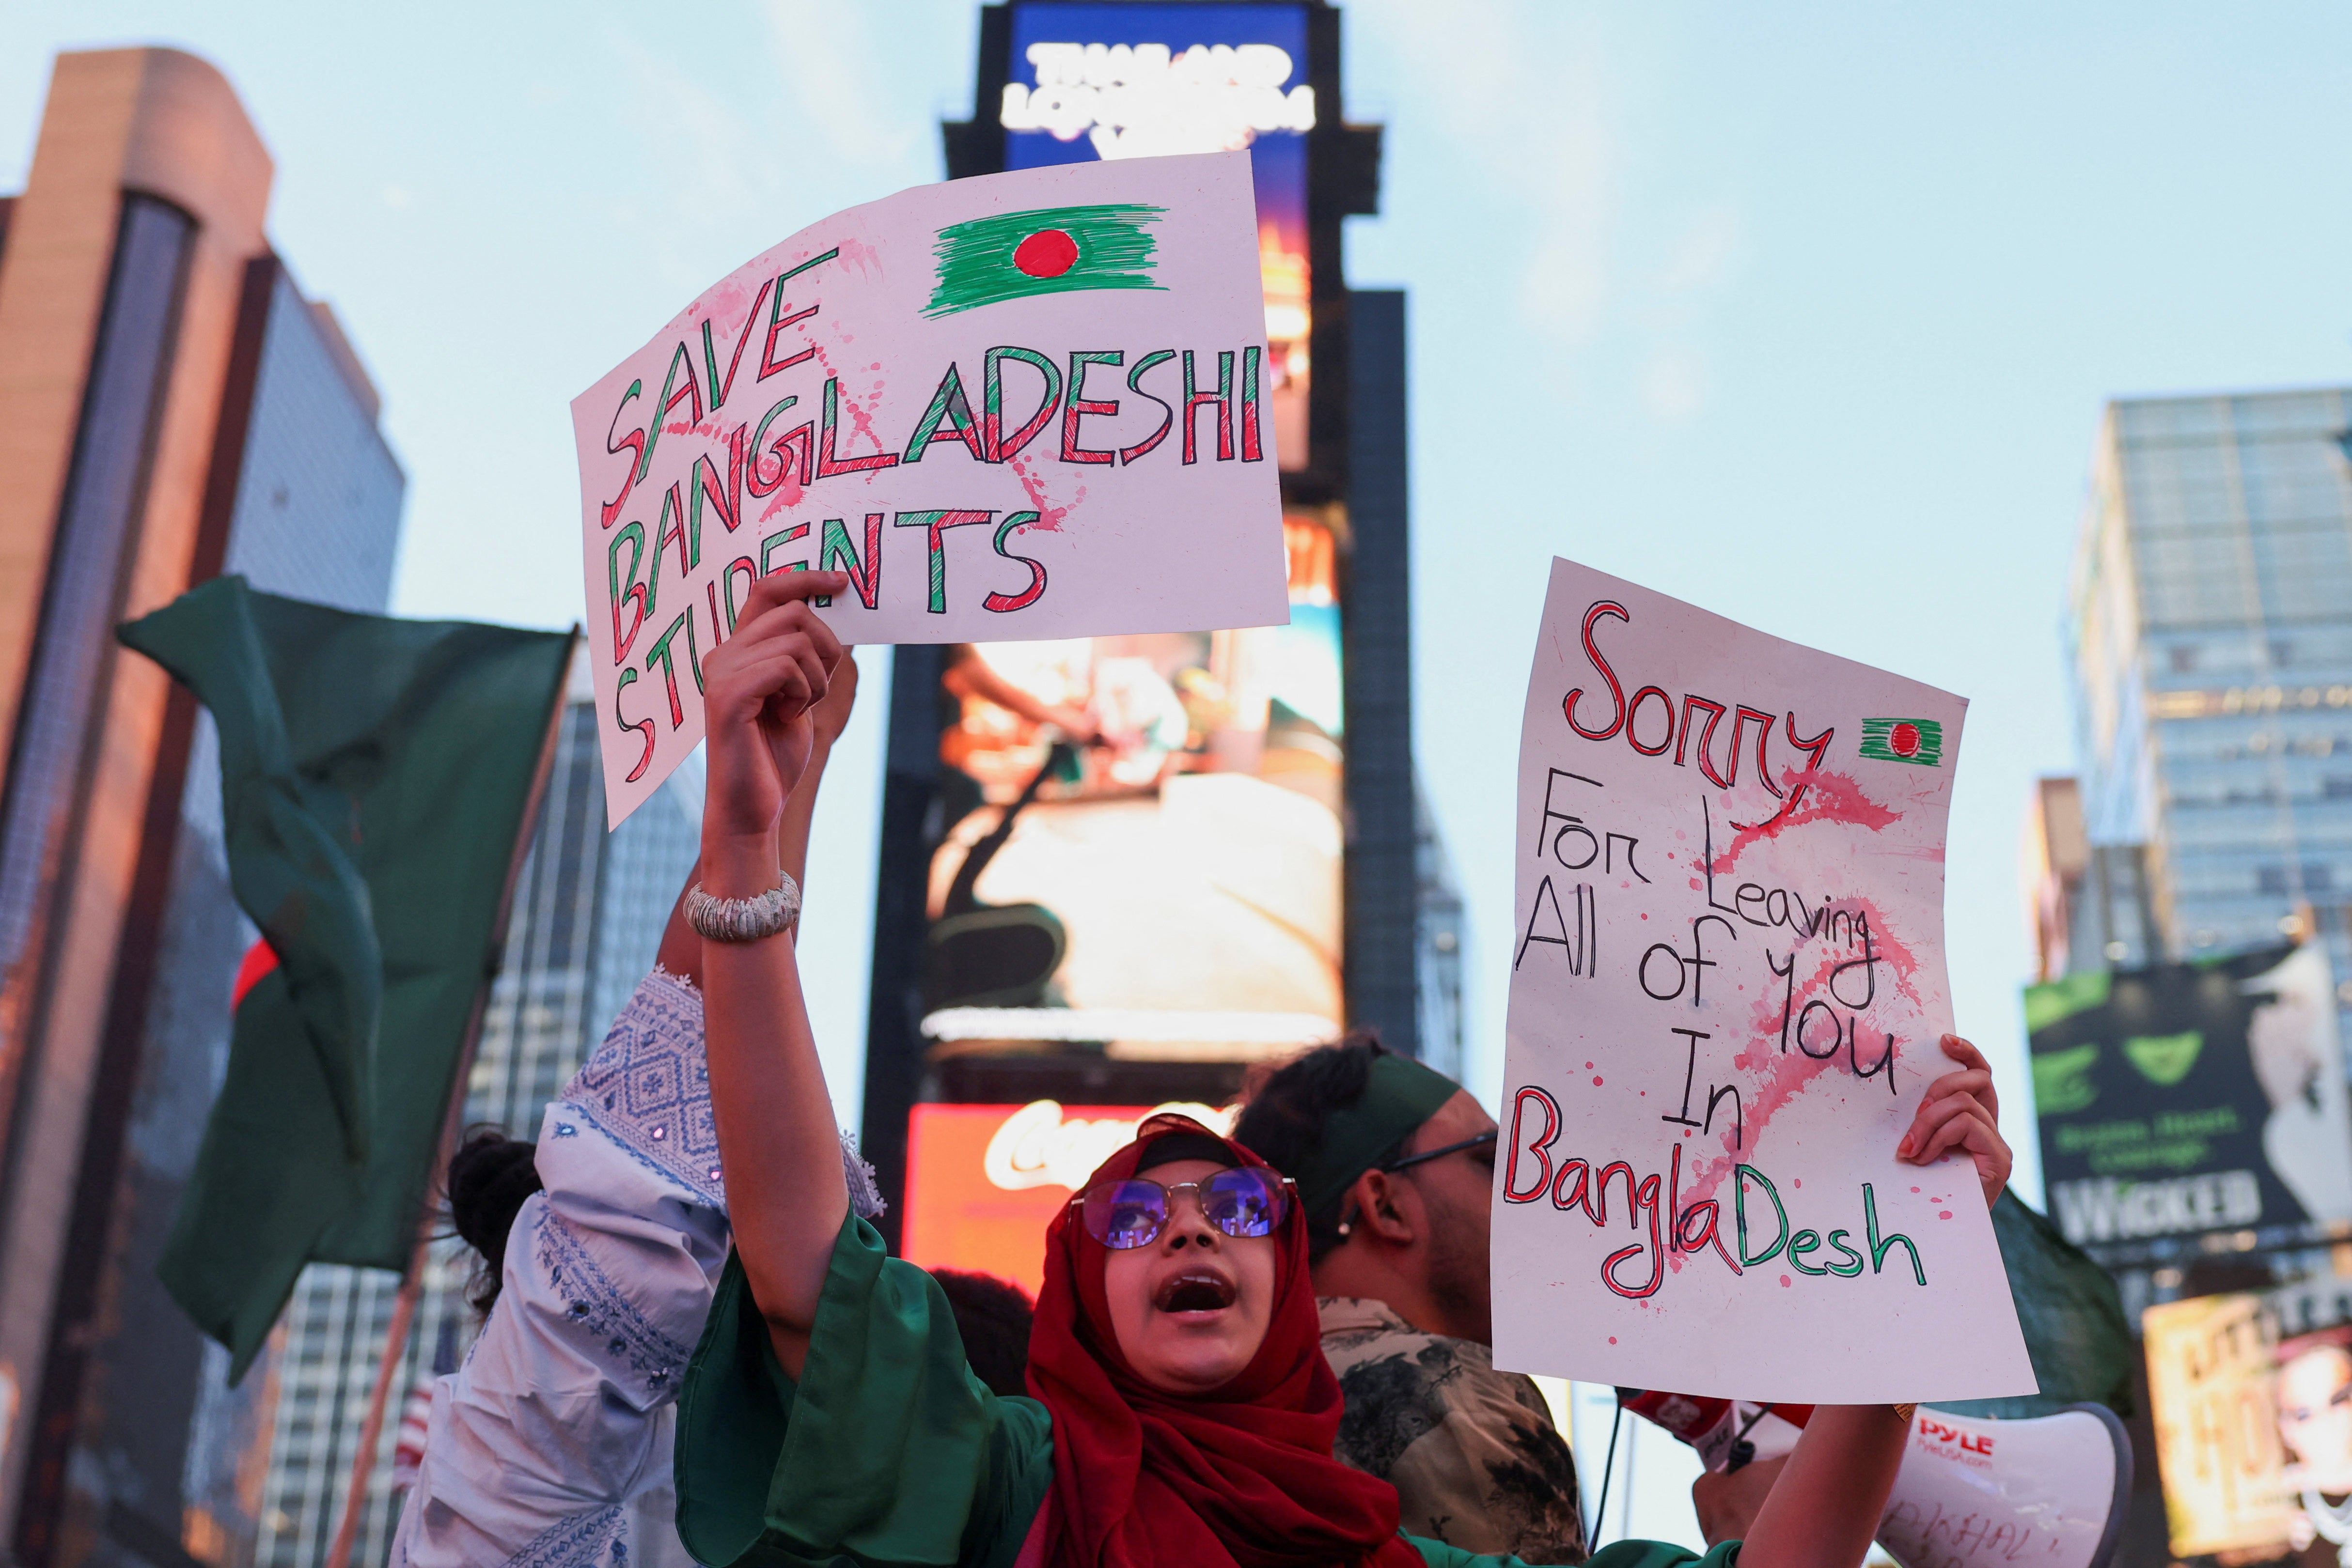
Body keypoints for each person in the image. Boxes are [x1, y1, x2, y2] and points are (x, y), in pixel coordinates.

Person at [672, 567, 1929, 1568]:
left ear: (1284, 1277)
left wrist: (1897, 1282)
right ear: (1076, 1293)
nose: (1183, 1235)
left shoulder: (1386, 1549)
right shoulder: (1009, 1483)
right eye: (1128, 1217)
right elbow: (805, 1272)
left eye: (1228, 1208)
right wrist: (746, 858)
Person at [389, 655, 878, 1568]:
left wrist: (773, 797)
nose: (764, 1222)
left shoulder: (547, 1459)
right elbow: (700, 1053)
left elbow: (699, 1048)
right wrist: (773, 796)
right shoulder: (524, 1483)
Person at [1232, 1025, 2013, 1562]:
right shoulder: (1437, 1385)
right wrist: (1751, 1539)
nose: (1526, 1181)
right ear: (1385, 1205)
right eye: (1489, 1155)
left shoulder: (1262, 1401)